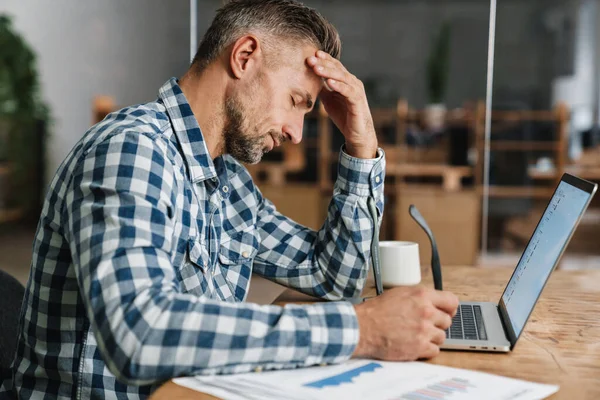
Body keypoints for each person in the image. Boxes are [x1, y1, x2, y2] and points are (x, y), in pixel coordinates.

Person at [2, 0, 458, 398]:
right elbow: (141, 334)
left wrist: (361, 143)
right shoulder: (132, 150)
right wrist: (363, 330)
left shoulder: (228, 183)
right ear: (244, 57)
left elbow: (334, 276)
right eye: (296, 100)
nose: (296, 134)